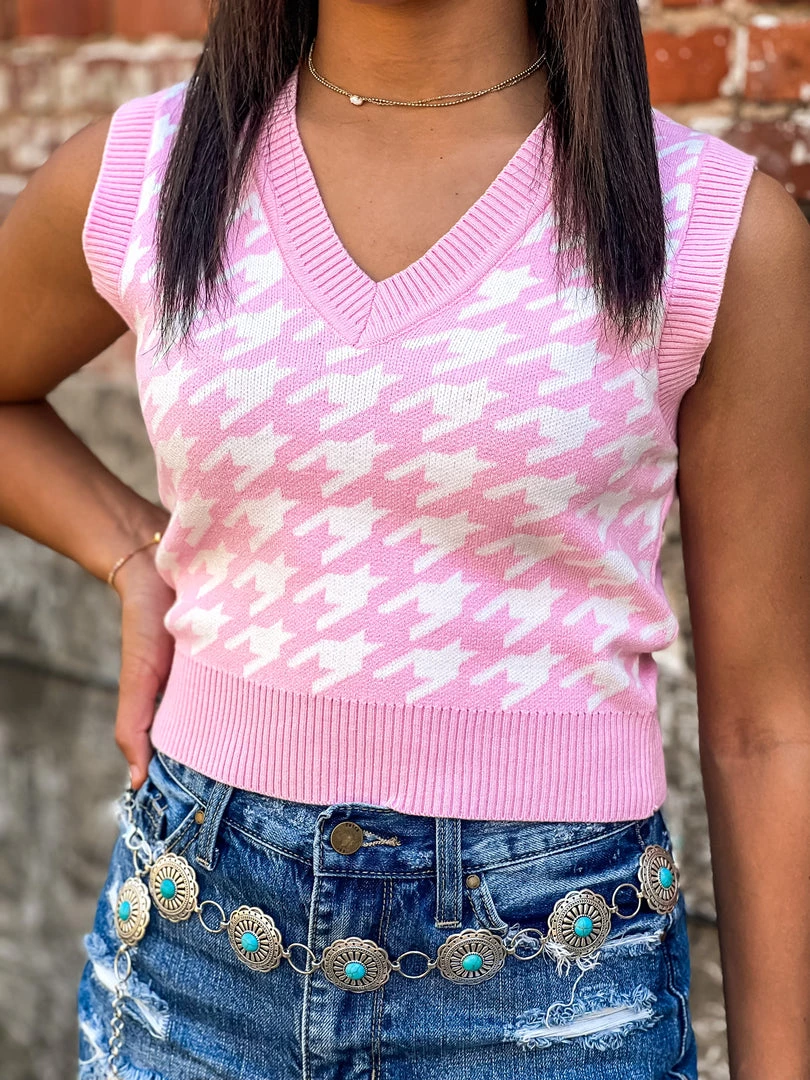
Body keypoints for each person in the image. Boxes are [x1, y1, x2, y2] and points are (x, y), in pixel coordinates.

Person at [1, 0, 808, 1076]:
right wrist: (130, 551)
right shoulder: (149, 169)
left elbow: (766, 730)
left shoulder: (710, 226)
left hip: (549, 991)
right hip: (194, 960)